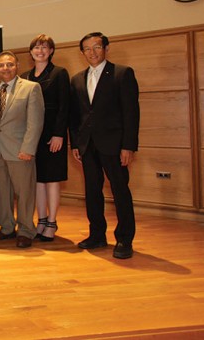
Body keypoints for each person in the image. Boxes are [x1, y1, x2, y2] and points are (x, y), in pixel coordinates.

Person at [70, 32, 140, 259]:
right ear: (82, 53)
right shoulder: (77, 79)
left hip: (115, 145)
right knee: (92, 192)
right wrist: (75, 144)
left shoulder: (122, 74)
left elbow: (131, 114)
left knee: (120, 191)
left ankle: (124, 239)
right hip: (87, 146)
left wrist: (128, 146)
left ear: (106, 48)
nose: (92, 52)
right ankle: (97, 235)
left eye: (97, 47)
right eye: (87, 49)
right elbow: (76, 116)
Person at [0, 51, 44, 248]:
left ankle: (27, 230)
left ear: (17, 66)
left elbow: (35, 122)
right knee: (0, 192)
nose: (5, 68)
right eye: (1, 65)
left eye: (10, 64)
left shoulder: (31, 88)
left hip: (20, 151)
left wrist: (28, 148)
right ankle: (6, 228)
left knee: (24, 193)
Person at [20, 34, 70, 242]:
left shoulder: (59, 73)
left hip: (52, 134)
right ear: (31, 52)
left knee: (52, 180)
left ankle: (52, 221)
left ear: (51, 51)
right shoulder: (25, 76)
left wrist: (59, 134)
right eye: (36, 48)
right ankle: (40, 220)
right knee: (38, 180)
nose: (40, 51)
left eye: (44, 47)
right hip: (33, 135)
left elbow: (64, 106)